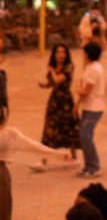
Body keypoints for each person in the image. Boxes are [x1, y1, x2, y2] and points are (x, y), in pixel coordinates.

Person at [0, 85, 67, 220]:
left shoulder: (9, 133)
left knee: (2, 218)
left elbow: (34, 147)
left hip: (1, 176)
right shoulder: (8, 133)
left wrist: (57, 154)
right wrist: (57, 154)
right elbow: (34, 146)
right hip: (1, 175)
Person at [31, 43, 79, 173]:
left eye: (63, 52)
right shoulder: (54, 67)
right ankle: (43, 161)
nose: (61, 55)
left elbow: (58, 80)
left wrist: (51, 70)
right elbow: (52, 83)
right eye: (58, 52)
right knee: (49, 130)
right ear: (54, 54)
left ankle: (74, 157)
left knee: (68, 129)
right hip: (54, 102)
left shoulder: (69, 66)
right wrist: (45, 85)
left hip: (65, 102)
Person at [76, 41, 105, 180]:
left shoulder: (94, 69)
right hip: (89, 106)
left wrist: (76, 102)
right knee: (84, 136)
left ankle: (94, 166)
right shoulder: (92, 67)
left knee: (85, 136)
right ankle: (88, 166)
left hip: (94, 107)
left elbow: (85, 90)